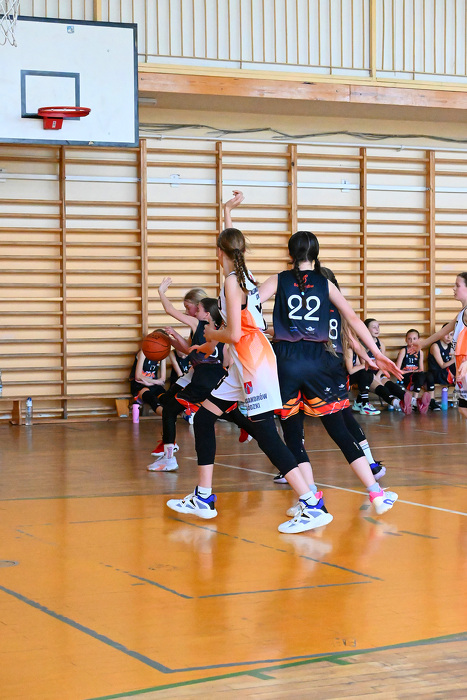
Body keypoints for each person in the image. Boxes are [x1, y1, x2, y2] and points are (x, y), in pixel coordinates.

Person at [167, 191, 335, 534]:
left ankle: (311, 503)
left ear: (219, 253)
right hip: (245, 362)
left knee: (265, 435)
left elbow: (232, 333)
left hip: (252, 361)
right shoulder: (243, 274)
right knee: (204, 419)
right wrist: (227, 212)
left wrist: (210, 333)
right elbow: (233, 243)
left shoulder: (232, 281)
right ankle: (203, 497)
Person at [258, 228, 401, 522]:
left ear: (290, 253)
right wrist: (376, 352)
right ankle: (376, 493)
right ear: (316, 254)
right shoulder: (326, 284)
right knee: (339, 431)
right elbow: (353, 319)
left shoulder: (278, 279)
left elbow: (248, 305)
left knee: (293, 433)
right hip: (319, 360)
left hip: (285, 360)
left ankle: (310, 498)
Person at [147, 285, 227, 472]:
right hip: (204, 373)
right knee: (169, 404)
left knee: (170, 408)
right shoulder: (213, 326)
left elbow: (170, 310)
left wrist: (161, 292)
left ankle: (169, 451)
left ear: (201, 308)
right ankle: (169, 444)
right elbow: (189, 350)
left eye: (189, 307)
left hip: (204, 375)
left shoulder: (198, 323)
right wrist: (171, 339)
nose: (187, 311)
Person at [411, 272, 467, 420]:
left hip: (465, 364)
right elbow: (443, 331)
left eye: (457, 285)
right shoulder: (462, 313)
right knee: (463, 408)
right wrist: (423, 343)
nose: (453, 288)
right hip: (461, 365)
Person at [363, 318, 411, 413]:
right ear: (366, 329)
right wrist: (375, 377)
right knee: (382, 388)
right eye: (374, 327)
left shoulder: (381, 344)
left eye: (378, 327)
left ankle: (413, 401)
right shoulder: (362, 344)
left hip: (378, 372)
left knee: (391, 385)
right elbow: (363, 365)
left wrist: (378, 375)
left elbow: (383, 363)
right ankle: (398, 404)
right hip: (366, 374)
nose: (377, 329)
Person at [395, 329, 433, 414]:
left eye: (414, 339)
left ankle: (431, 400)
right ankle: (415, 401)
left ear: (418, 340)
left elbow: (421, 369)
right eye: (409, 339)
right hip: (405, 375)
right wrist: (410, 371)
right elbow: (397, 370)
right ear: (406, 340)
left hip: (416, 376)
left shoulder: (420, 352)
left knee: (428, 375)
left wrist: (417, 372)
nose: (412, 341)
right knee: (420, 376)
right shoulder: (403, 351)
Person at [129, 340, 167, 416]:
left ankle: (174, 415)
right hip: (139, 384)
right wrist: (155, 382)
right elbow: (138, 376)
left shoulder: (163, 355)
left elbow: (163, 379)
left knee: (166, 398)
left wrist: (152, 383)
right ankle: (165, 415)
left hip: (153, 384)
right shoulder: (143, 353)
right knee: (151, 398)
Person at [428, 325, 456, 410]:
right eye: (446, 334)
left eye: (451, 334)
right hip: (437, 373)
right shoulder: (435, 346)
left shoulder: (451, 346)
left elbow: (453, 364)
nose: (449, 337)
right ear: (442, 333)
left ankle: (462, 396)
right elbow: (442, 365)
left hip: (447, 372)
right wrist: (456, 358)